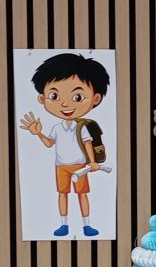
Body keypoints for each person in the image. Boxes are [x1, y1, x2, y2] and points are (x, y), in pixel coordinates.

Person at [19, 52, 111, 237]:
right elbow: (49, 143)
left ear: (95, 99)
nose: (65, 104)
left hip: (80, 166)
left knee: (82, 194)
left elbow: (87, 144)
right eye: (54, 96)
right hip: (61, 166)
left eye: (77, 97)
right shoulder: (56, 127)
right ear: (42, 99)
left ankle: (86, 225)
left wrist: (92, 162)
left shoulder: (81, 127)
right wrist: (38, 133)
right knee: (63, 194)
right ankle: (64, 225)